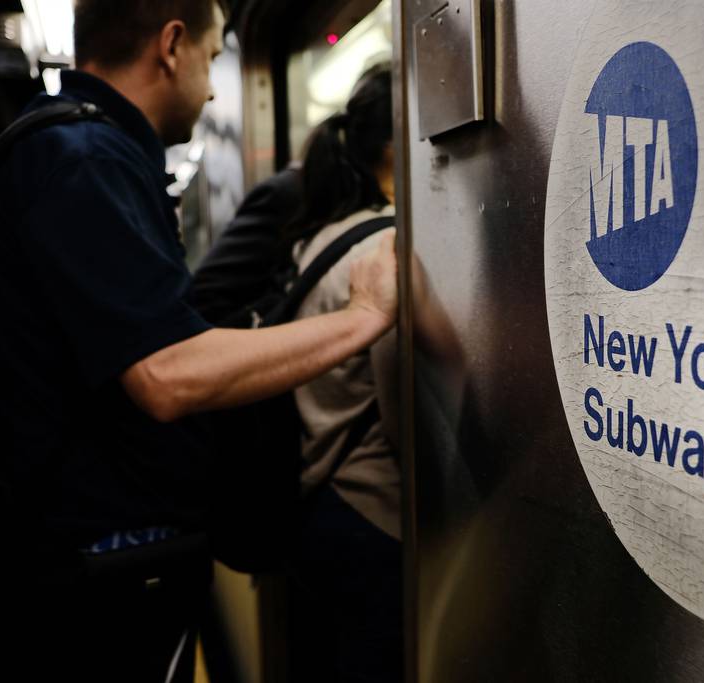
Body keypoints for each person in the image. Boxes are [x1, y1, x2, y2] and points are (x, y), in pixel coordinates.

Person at [0, 1, 397, 682]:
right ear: (172, 46)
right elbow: (165, 373)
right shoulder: (82, 159)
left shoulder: (72, 149)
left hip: (85, 564)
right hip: (95, 578)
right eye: (213, 51)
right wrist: (362, 318)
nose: (217, 85)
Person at [284, 64, 403, 683]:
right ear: (394, 145)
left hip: (315, 500)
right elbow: (405, 414)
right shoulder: (382, 251)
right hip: (371, 516)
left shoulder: (323, 237)